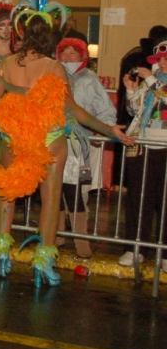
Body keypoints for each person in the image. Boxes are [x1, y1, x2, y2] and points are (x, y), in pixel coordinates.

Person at [0, 14, 132, 287]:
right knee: (50, 200)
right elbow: (75, 110)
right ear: (50, 40)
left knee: (7, 192)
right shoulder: (54, 67)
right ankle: (43, 264)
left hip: (15, 138)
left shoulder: (8, 64)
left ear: (21, 37)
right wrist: (110, 131)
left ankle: (3, 256)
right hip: (50, 139)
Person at [55, 38, 116, 258]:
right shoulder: (51, 75)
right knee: (55, 191)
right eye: (65, 52)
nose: (69, 56)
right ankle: (57, 236)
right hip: (52, 142)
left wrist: (103, 130)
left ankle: (82, 241)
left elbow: (105, 108)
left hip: (78, 145)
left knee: (74, 192)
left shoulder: (90, 80)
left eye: (74, 53)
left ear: (83, 56)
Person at [120, 33, 167, 269]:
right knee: (139, 200)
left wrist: (150, 81)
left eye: (166, 58)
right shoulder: (154, 79)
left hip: (165, 148)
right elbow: (135, 111)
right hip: (143, 146)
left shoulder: (155, 81)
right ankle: (135, 248)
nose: (162, 62)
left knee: (166, 202)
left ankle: (166, 255)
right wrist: (131, 91)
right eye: (159, 58)